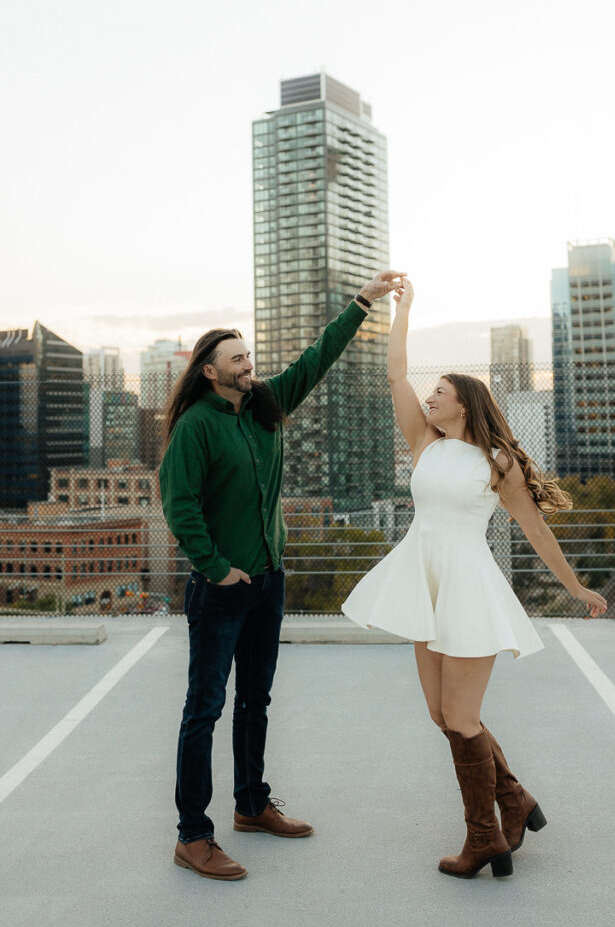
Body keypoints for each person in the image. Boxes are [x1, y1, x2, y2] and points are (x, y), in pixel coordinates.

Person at [342, 278, 607, 880]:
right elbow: (395, 373)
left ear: (465, 402)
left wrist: (574, 588)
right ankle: (513, 800)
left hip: (466, 585)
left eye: (440, 392)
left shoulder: (498, 462)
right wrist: (402, 312)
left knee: (462, 719)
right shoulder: (423, 444)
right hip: (422, 577)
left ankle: (485, 837)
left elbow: (536, 530)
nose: (429, 398)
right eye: (429, 392)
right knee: (443, 717)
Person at [159, 269, 406, 882]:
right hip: (221, 589)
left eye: (248, 356)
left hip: (269, 581)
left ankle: (251, 805)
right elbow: (178, 504)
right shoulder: (196, 427)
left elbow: (315, 360)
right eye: (236, 359)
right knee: (205, 708)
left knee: (256, 699)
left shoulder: (264, 407)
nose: (248, 365)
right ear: (209, 372)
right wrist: (216, 569)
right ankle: (193, 835)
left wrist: (362, 304)